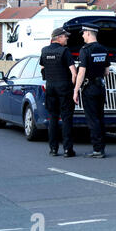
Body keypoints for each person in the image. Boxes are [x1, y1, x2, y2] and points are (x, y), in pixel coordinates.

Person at [73, 23, 110, 159]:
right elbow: (106, 72)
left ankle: (97, 150)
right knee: (100, 118)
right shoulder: (103, 49)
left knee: (92, 119)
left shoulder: (85, 50)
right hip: (100, 87)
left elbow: (81, 72)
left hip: (89, 88)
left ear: (88, 33)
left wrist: (76, 90)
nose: (82, 36)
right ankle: (102, 148)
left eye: (83, 33)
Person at [40, 27, 77, 158]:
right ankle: (68, 150)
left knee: (53, 118)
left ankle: (53, 149)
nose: (67, 38)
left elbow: (43, 68)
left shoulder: (44, 51)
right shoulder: (64, 51)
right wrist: (74, 87)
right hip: (64, 88)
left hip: (50, 87)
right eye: (65, 36)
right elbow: (74, 72)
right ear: (58, 37)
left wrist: (49, 79)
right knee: (66, 118)